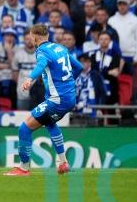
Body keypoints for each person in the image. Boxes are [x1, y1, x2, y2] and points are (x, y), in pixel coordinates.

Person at [5, 24, 82, 177]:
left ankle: (23, 168)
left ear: (35, 37)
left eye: (30, 36)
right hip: (69, 98)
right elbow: (78, 67)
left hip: (57, 100)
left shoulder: (42, 51)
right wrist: (68, 83)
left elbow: (41, 65)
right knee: (49, 122)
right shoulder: (60, 48)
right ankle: (63, 162)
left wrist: (29, 79)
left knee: (24, 129)